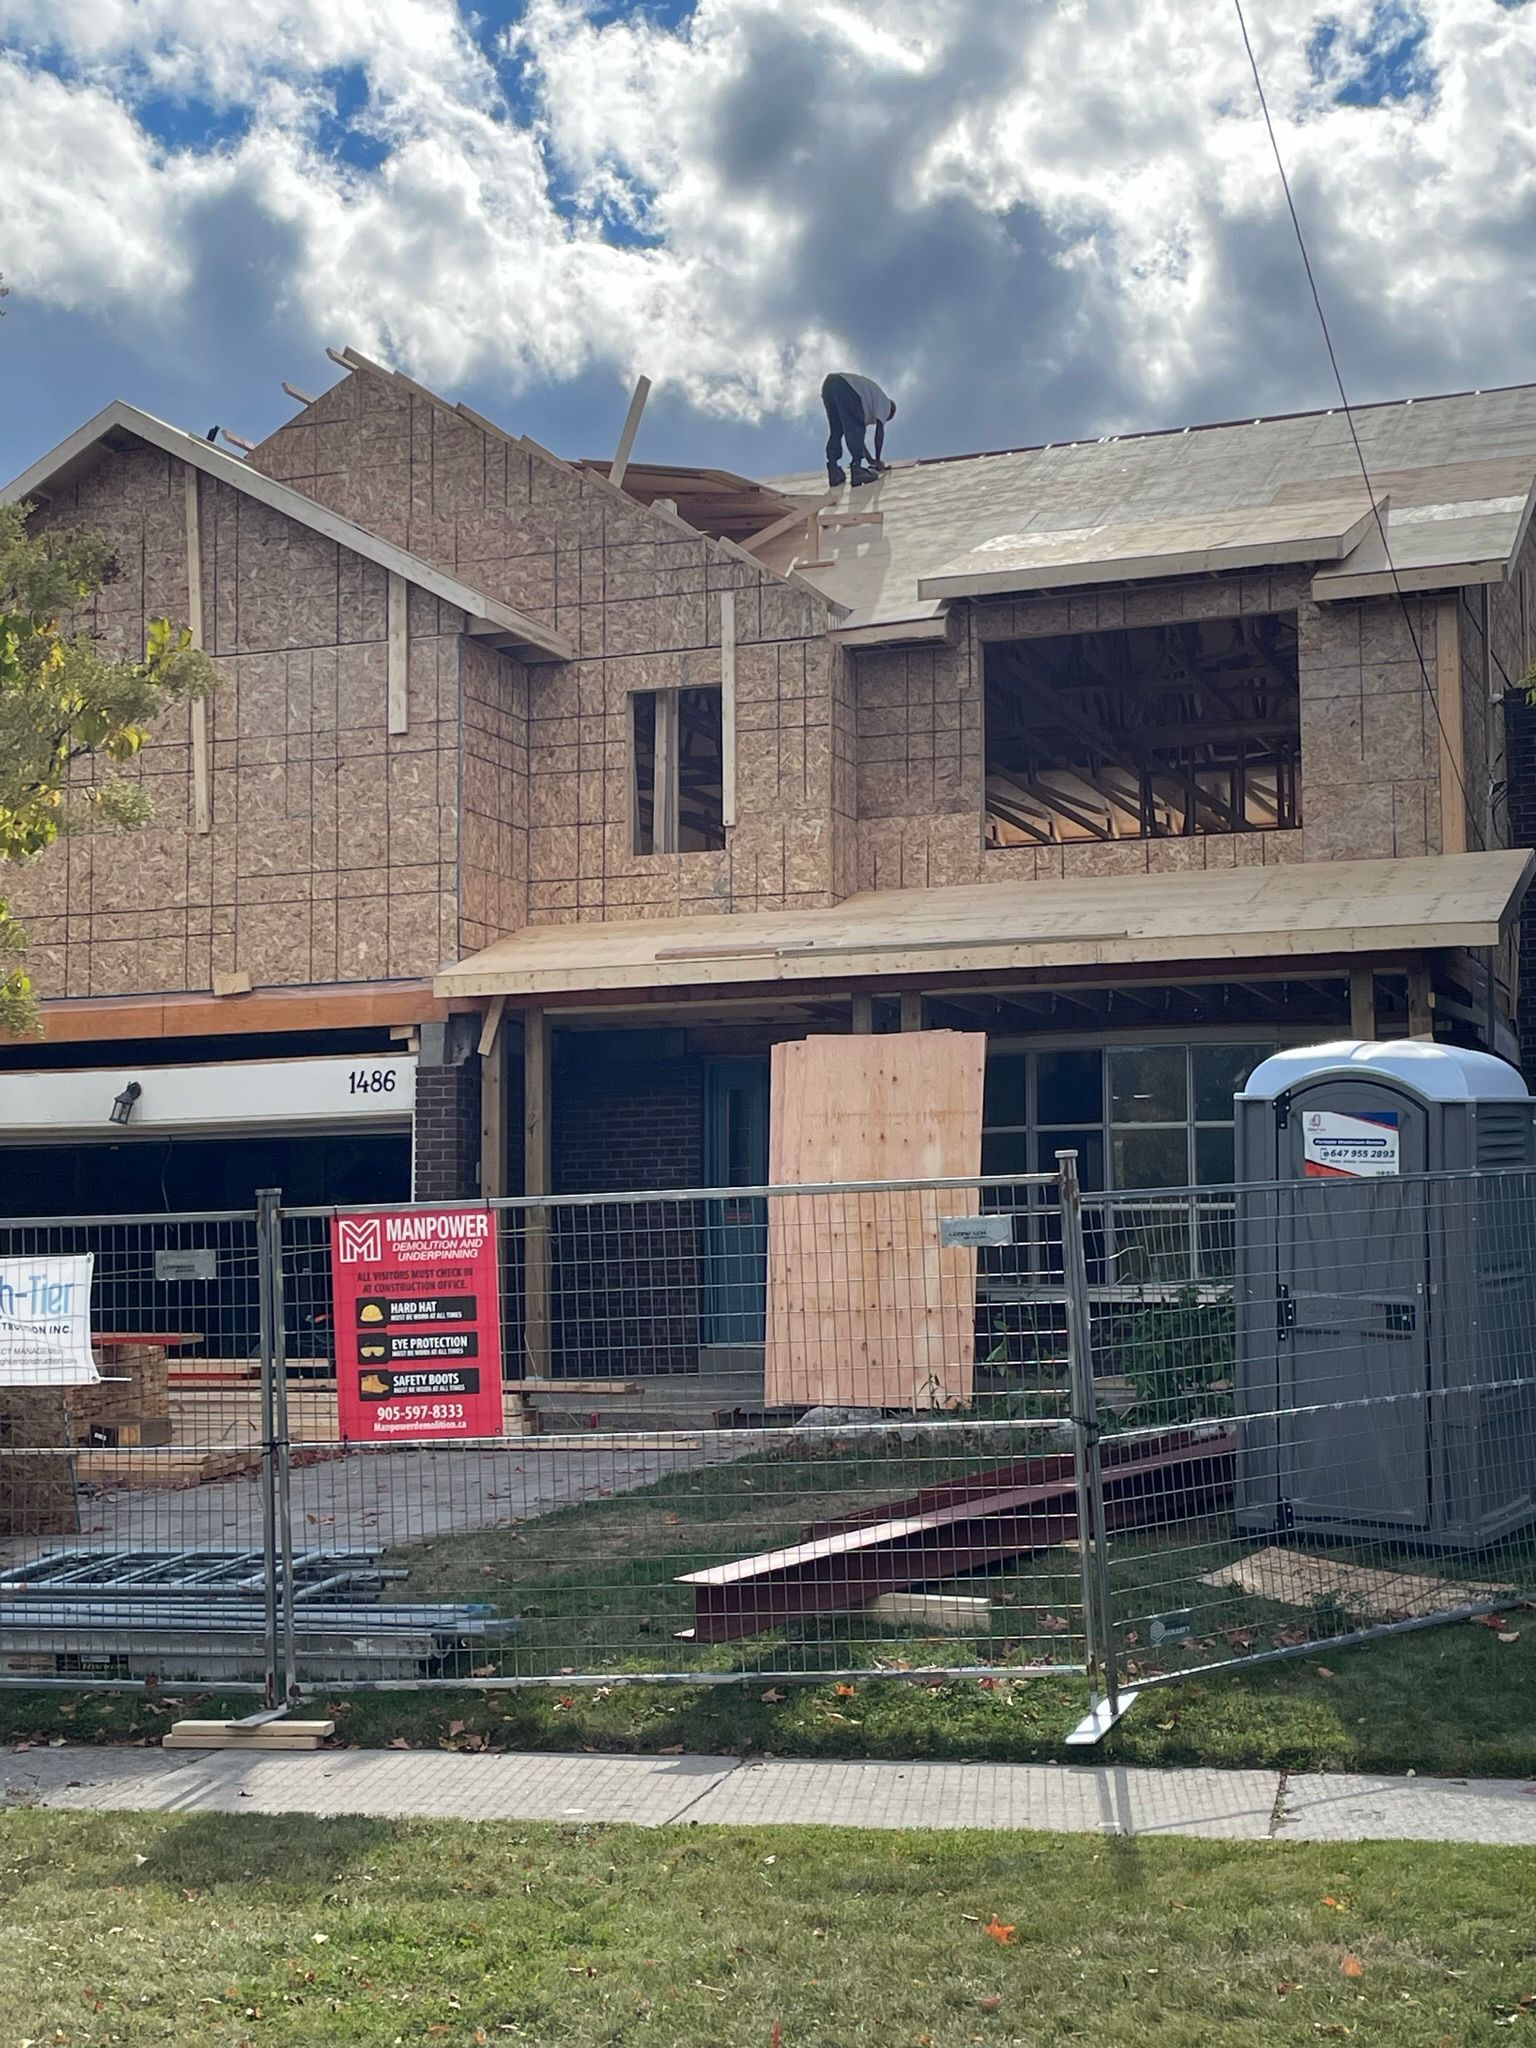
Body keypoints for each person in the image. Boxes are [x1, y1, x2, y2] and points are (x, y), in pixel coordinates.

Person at [821, 371, 896, 488]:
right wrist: (877, 461)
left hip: (829, 385)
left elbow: (857, 437)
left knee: (837, 430)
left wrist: (870, 460)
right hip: (846, 386)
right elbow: (879, 433)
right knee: (855, 429)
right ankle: (857, 470)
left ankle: (833, 470)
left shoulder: (868, 405)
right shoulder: (886, 404)